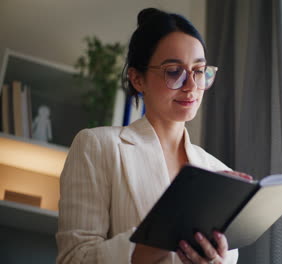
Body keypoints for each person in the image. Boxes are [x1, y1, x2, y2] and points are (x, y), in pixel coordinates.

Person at [56, 8, 249, 264]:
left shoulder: (217, 173)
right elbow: (74, 259)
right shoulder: (97, 147)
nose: (191, 85)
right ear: (137, 78)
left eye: (199, 71)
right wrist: (166, 234)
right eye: (173, 71)